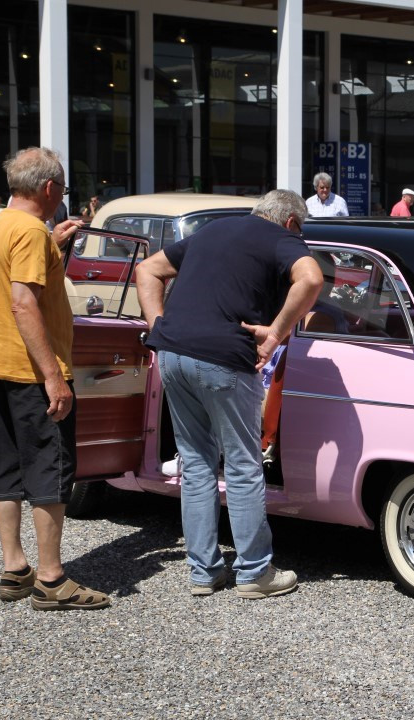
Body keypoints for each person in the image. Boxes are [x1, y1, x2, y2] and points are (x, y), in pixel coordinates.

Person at [136, 189, 321, 598]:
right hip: (223, 357)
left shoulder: (213, 230)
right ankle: (255, 572)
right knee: (241, 463)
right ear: (291, 223)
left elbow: (148, 269)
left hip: (171, 354)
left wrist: (159, 327)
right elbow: (310, 279)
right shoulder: (281, 238)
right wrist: (275, 333)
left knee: (197, 463)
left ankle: (204, 572)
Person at [0, 147, 109, 611]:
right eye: (62, 190)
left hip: (0, 366)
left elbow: (14, 279)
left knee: (7, 469)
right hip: (34, 370)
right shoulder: (30, 232)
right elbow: (23, 302)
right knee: (51, 471)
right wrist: (54, 376)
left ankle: (15, 568)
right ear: (49, 188)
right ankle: (52, 578)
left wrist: (55, 244)